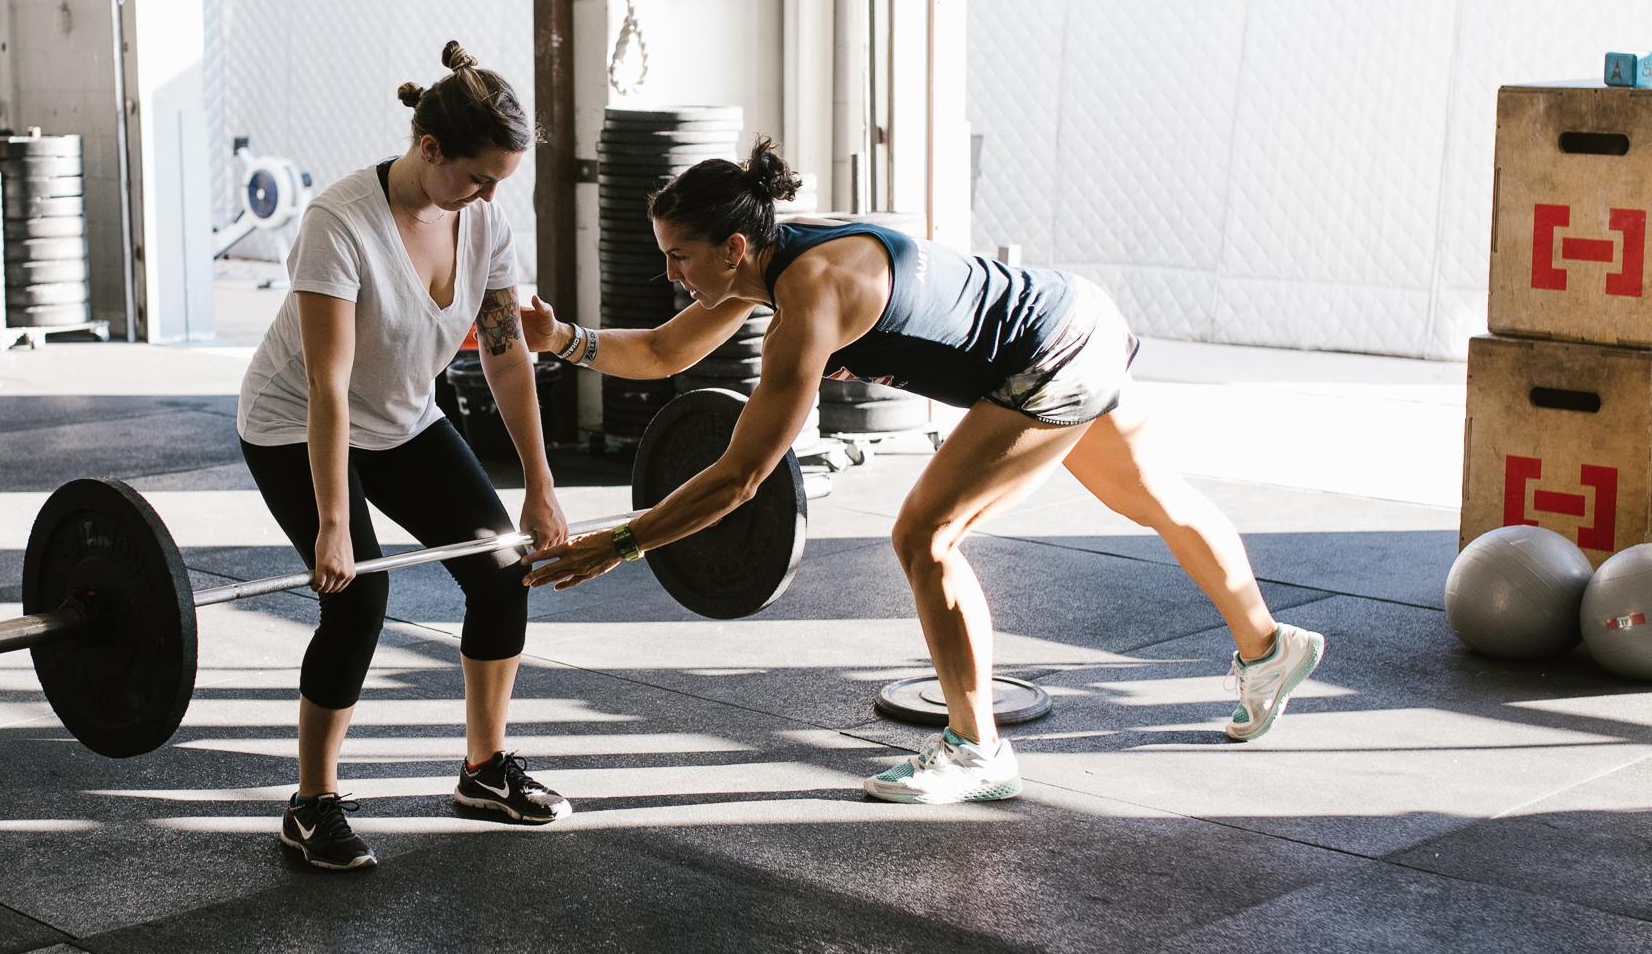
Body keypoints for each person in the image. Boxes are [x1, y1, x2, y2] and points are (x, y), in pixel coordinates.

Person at [520, 137, 1324, 804]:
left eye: (679, 259)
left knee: (926, 533)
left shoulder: (808, 297)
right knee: (1152, 496)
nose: (673, 277)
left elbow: (740, 479)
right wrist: (562, 340)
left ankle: (977, 751)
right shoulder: (773, 254)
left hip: (1049, 354)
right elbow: (665, 350)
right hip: (1079, 311)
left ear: (731, 248)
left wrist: (619, 543)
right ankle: (1268, 645)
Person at [238, 41, 572, 868]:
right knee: (357, 600)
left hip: (401, 416)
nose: (492, 195)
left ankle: (484, 768)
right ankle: (312, 801)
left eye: (502, 180)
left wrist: (540, 486)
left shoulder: (485, 216)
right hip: (296, 423)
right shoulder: (338, 224)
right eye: (480, 176)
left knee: (503, 571)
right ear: (430, 150)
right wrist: (332, 524)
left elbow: (503, 354)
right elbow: (326, 384)